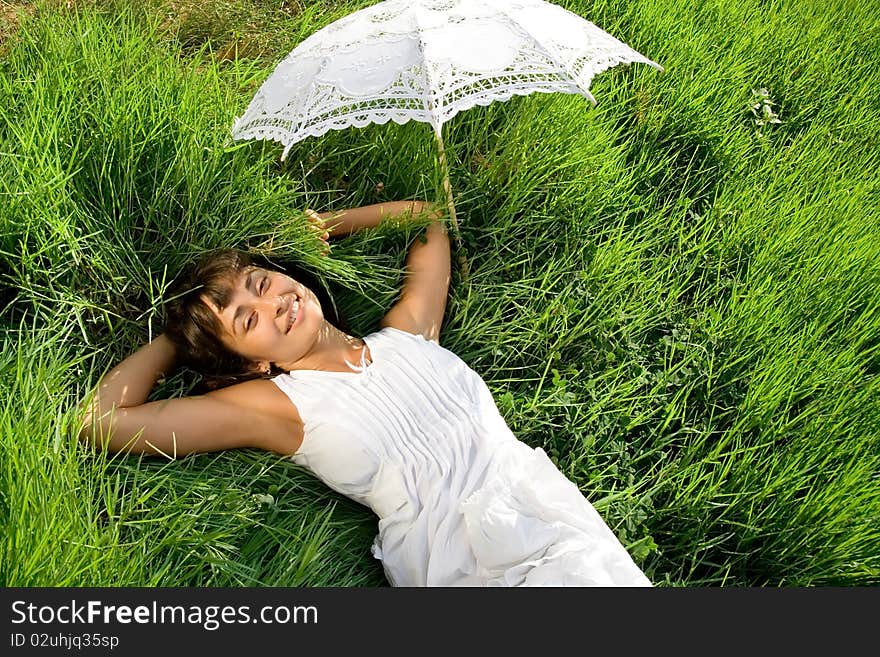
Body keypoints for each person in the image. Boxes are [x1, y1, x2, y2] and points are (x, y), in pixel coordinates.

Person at [78, 200, 652, 587]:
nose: (273, 303)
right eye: (248, 320)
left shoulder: (409, 335)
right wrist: (179, 337)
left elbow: (427, 219)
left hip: (554, 516)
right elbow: (101, 421)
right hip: (465, 559)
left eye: (261, 283)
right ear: (253, 361)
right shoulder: (281, 405)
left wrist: (328, 223)